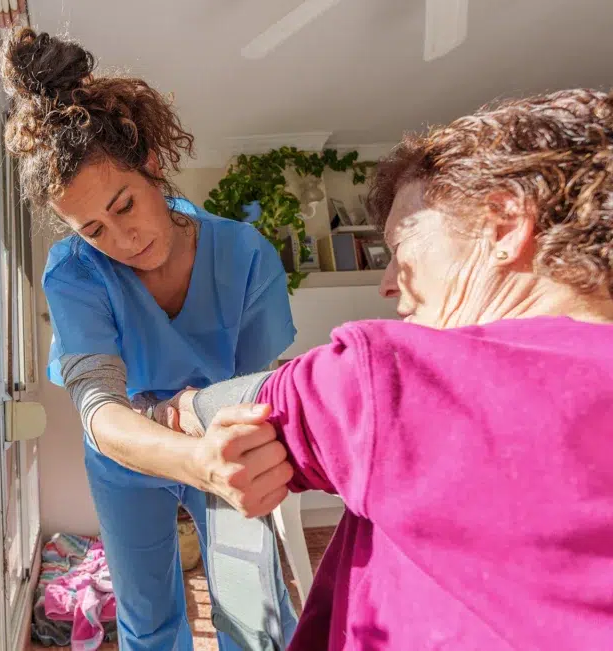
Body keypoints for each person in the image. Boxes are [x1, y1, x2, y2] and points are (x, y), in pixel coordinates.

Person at [168, 88, 613, 650]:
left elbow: (219, 410)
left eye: (401, 245)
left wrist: (171, 407)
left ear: (502, 226)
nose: (384, 284)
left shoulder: (396, 379)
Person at [1, 28, 299, 650]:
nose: (122, 238)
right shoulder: (75, 272)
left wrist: (204, 442)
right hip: (129, 458)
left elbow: (253, 395)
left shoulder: (245, 255)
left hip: (223, 435)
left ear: (152, 165)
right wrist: (186, 455)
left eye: (124, 205)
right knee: (147, 617)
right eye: (94, 228)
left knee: (255, 610)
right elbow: (100, 412)